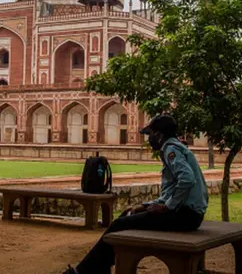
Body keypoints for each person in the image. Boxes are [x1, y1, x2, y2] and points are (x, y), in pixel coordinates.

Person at [61, 114, 209, 274]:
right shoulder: (175, 148)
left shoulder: (171, 149)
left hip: (185, 216)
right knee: (125, 218)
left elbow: (187, 180)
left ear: (159, 135)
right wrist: (145, 206)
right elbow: (172, 191)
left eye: (150, 134)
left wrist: (167, 207)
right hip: (188, 214)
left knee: (119, 224)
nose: (149, 139)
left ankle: (83, 271)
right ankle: (100, 267)